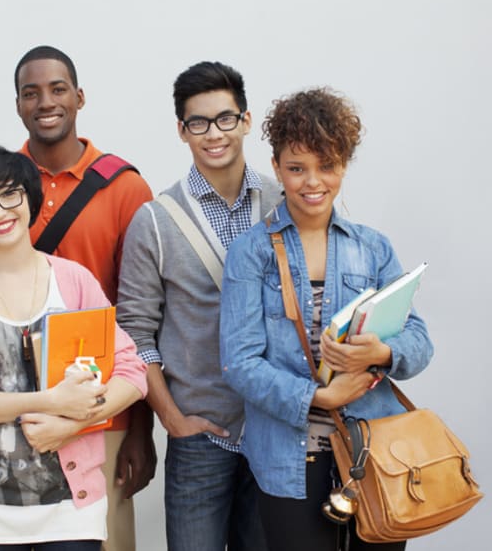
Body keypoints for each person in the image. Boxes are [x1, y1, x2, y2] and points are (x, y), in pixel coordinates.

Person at [0, 45, 156, 551]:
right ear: (18, 105)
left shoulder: (125, 188)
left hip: (95, 413)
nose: (45, 101)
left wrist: (138, 429)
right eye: (31, 92)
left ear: (80, 97)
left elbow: (141, 319)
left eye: (58, 88)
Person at [219, 88, 434, 551]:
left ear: (344, 165)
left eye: (327, 166)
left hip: (372, 456)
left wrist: (383, 352)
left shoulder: (372, 247)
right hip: (288, 461)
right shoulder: (251, 252)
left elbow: (419, 340)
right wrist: (319, 396)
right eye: (296, 168)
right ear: (276, 166)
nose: (312, 182)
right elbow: (238, 361)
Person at [117, 61, 277, 551]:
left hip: (273, 429)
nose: (214, 133)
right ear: (182, 131)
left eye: (225, 118)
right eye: (199, 123)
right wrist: (172, 420)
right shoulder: (154, 221)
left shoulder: (281, 203)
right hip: (200, 438)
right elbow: (134, 333)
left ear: (246, 121)